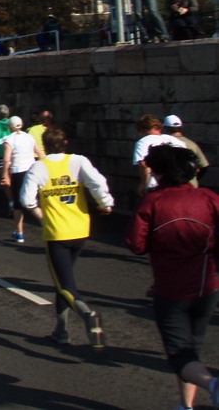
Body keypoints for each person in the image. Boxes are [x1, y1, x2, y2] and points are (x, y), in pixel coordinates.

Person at [126, 144, 219, 410]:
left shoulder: (153, 202)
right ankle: (185, 405)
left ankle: (213, 385)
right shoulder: (208, 197)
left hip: (171, 290)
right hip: (207, 286)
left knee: (179, 354)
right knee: (193, 349)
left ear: (158, 172)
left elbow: (136, 243)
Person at [21, 127, 114, 350]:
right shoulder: (78, 161)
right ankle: (60, 331)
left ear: (43, 145)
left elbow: (26, 199)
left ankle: (87, 314)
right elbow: (97, 183)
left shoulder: (39, 167)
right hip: (80, 230)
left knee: (64, 285)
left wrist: (39, 214)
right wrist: (106, 204)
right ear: (65, 143)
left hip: (57, 233)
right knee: (63, 282)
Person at [1, 116, 45, 244]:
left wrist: (4, 175)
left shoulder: (9, 140)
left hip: (18, 172)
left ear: (10, 127)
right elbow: (40, 154)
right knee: (33, 200)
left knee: (18, 204)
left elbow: (6, 160)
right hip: (32, 170)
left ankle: (20, 233)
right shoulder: (29, 137)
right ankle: (43, 221)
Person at [134, 114, 187, 197]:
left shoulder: (143, 142)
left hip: (156, 187)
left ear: (143, 130)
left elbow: (143, 164)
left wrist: (144, 185)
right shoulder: (175, 141)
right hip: (180, 185)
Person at [163, 114, 210, 185]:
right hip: (191, 185)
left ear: (165, 128)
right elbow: (204, 166)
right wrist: (194, 178)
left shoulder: (163, 144)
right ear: (181, 127)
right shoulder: (192, 144)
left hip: (170, 186)